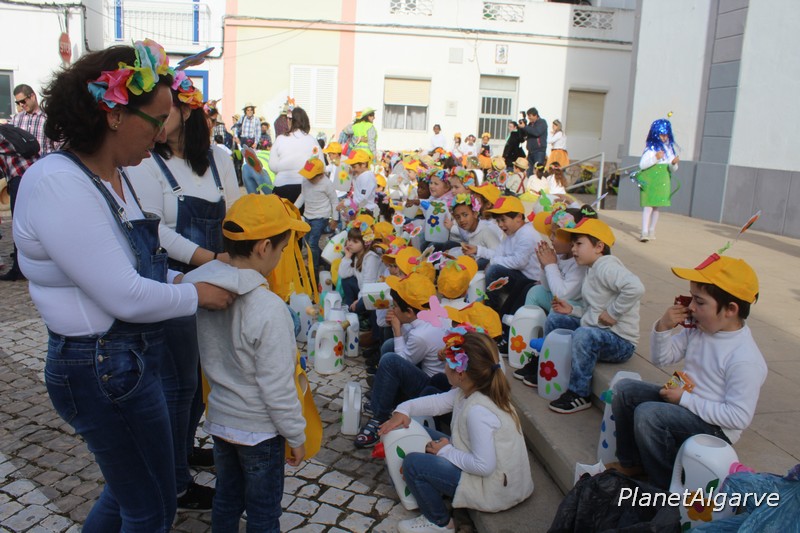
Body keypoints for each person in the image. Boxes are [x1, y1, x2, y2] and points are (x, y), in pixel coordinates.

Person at [12, 40, 234, 532]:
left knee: (127, 493)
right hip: (99, 367)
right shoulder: (58, 182)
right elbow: (125, 295)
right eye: (156, 120)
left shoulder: (117, 176)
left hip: (128, 361)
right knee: (150, 506)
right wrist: (197, 293)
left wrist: (183, 276)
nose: (162, 134)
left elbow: (140, 263)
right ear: (114, 115)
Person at [126, 68, 241, 511]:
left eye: (165, 111)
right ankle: (174, 481)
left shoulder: (220, 158)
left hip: (218, 277)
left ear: (187, 111)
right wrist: (209, 259)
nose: (156, 121)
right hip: (173, 281)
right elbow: (154, 231)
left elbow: (236, 213)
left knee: (199, 379)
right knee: (178, 383)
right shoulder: (146, 162)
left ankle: (185, 448)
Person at [182, 194, 308, 531]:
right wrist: (296, 435)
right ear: (264, 248)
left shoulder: (205, 288)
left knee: (226, 498)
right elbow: (277, 386)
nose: (281, 257)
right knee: (264, 512)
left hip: (222, 421)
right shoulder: (270, 309)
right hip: (260, 431)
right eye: (282, 249)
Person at [609, 254, 766, 489]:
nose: (691, 307)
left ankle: (665, 486)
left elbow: (738, 417)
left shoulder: (744, 359)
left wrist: (684, 399)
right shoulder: (699, 329)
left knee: (649, 415)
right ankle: (632, 463)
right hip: (686, 404)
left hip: (715, 429)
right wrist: (663, 327)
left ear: (730, 309)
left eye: (699, 302)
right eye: (691, 298)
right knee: (625, 390)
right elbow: (662, 358)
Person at [380, 328, 534, 533]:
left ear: (460, 374)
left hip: (493, 488)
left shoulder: (478, 412)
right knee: (419, 432)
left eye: (447, 364)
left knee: (413, 464)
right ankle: (433, 487)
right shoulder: (473, 389)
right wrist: (403, 409)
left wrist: (445, 451)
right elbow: (437, 403)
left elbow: (483, 466)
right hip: (491, 474)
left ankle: (439, 523)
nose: (443, 368)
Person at [545, 218, 644, 413]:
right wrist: (572, 311)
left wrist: (614, 312)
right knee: (556, 318)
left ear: (599, 247)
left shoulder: (607, 267)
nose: (573, 249)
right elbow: (594, 311)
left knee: (584, 335)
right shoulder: (591, 269)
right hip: (598, 330)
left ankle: (579, 393)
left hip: (620, 341)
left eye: (579, 244)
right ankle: (547, 365)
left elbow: (636, 288)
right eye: (573, 244)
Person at [354, 273, 448, 448]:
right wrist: (400, 328)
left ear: (410, 312)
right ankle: (383, 395)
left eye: (396, 306)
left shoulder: (421, 335)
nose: (393, 309)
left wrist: (397, 329)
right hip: (434, 373)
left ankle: (379, 416)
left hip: (430, 387)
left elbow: (402, 360)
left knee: (390, 359)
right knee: (390, 345)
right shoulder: (432, 315)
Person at [514, 207, 593, 385]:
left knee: (557, 307)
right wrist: (545, 267)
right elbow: (546, 286)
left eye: (556, 234)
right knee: (535, 291)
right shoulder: (562, 256)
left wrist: (550, 265)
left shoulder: (579, 263)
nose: (550, 238)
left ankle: (545, 359)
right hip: (562, 302)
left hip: (574, 310)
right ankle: (530, 348)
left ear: (571, 238)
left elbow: (562, 294)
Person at [470, 196, 541, 342]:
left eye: (503, 220)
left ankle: (492, 313)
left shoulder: (527, 234)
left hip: (529, 280)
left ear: (519, 217)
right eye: (498, 221)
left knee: (494, 270)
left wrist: (493, 262)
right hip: (517, 274)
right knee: (484, 263)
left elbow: (518, 262)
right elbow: (497, 254)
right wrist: (479, 251)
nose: (501, 225)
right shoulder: (510, 234)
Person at [638, 118, 679, 241]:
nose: (664, 137)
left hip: (663, 180)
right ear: (656, 134)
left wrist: (673, 163)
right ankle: (644, 231)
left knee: (656, 207)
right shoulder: (650, 149)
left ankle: (652, 230)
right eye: (662, 135)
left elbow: (673, 169)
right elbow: (642, 165)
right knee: (648, 206)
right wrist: (655, 158)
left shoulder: (670, 150)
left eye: (666, 135)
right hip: (651, 180)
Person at [269, 106, 320, 204]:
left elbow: (272, 165)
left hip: (282, 186)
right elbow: (320, 165)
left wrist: (284, 169)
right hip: (306, 186)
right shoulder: (312, 140)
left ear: (290, 121)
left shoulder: (280, 139)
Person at [298, 157, 339, 277]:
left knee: (312, 244)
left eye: (311, 177)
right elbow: (302, 195)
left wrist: (335, 219)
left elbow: (334, 201)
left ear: (321, 175)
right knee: (307, 243)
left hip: (321, 217)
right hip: (307, 215)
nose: (309, 179)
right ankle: (324, 261)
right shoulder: (305, 180)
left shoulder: (326, 183)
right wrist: (294, 207)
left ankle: (314, 269)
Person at [446, 193, 502, 270]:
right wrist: (451, 253)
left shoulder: (486, 231)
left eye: (465, 215)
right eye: (458, 217)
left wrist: (478, 250)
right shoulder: (470, 231)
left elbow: (499, 254)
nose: (461, 220)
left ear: (475, 214)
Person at [522, 107, 548, 174]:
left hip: (539, 151)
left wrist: (525, 127)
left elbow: (536, 132)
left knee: (538, 172)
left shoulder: (542, 122)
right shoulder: (530, 124)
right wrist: (522, 128)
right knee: (529, 172)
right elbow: (526, 134)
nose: (528, 118)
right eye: (528, 116)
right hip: (530, 152)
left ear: (535, 115)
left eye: (530, 116)